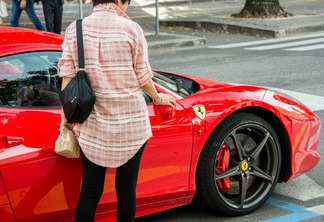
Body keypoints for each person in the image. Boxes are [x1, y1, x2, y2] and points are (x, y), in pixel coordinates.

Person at [57, 0, 176, 222]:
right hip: (132, 124)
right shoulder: (131, 29)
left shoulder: (75, 30)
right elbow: (144, 78)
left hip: (92, 124)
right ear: (120, 1)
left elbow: (67, 77)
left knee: (90, 190)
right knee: (126, 189)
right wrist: (160, 98)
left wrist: (66, 119)